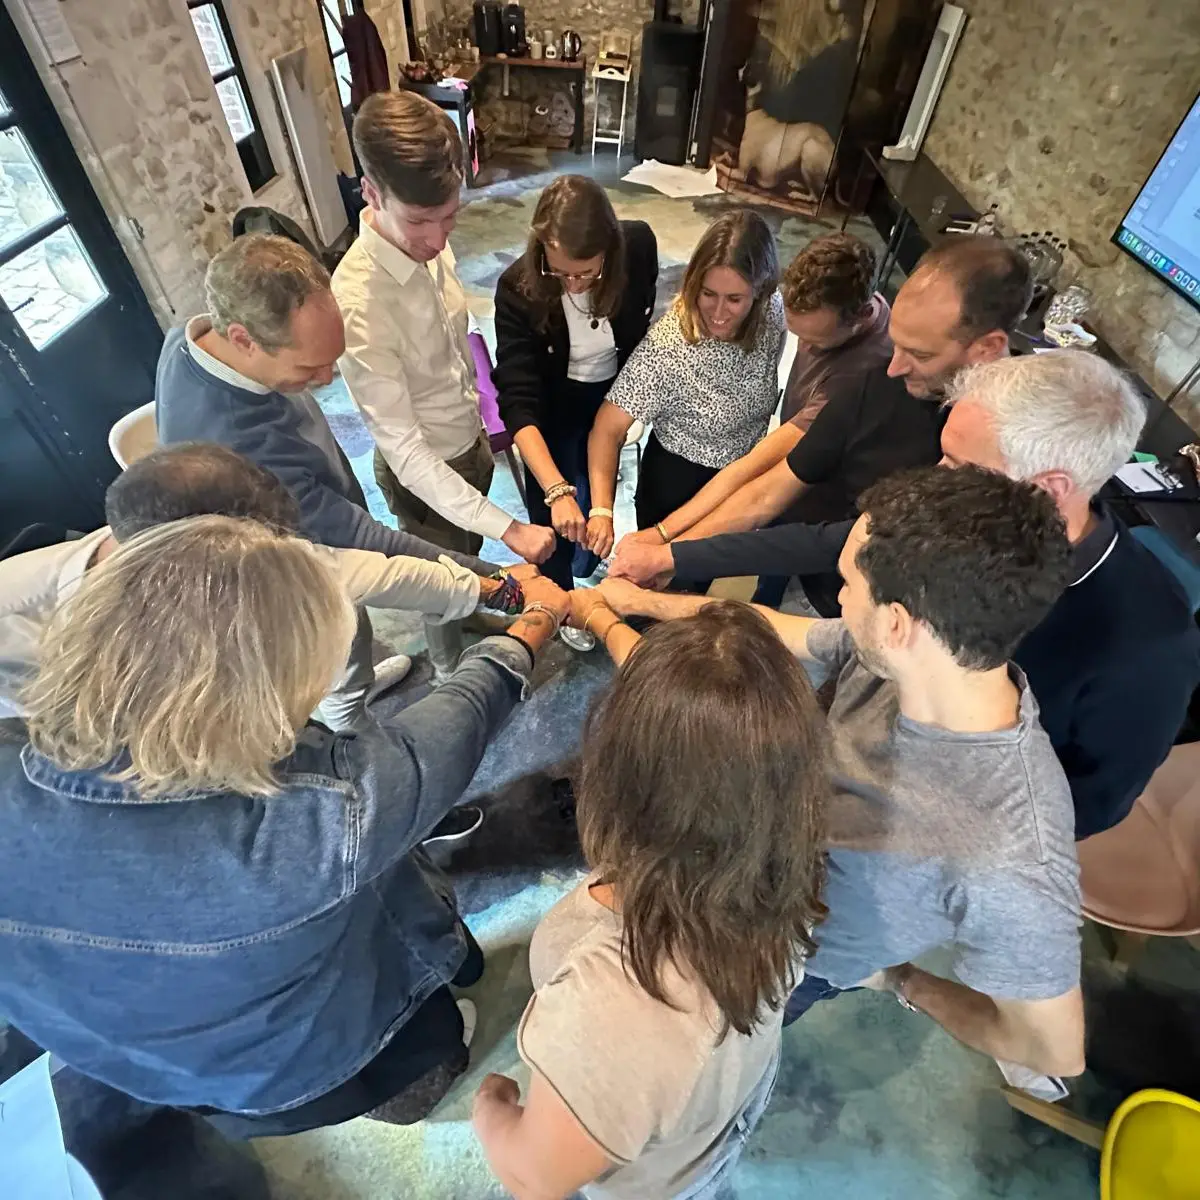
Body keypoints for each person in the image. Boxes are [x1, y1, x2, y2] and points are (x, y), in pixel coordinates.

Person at [0, 514, 572, 1134]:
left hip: (147, 1069)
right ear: (260, 690)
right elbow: (446, 732)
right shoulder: (324, 813)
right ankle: (419, 1076)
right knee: (416, 1045)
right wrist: (531, 626)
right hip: (309, 1056)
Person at [596, 465, 1086, 1080]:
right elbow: (783, 632)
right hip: (744, 873)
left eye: (848, 582)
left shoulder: (1013, 851)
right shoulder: (908, 658)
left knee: (698, 1068)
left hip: (795, 964)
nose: (839, 594)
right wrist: (644, 602)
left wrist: (905, 980)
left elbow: (1053, 1050)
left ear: (899, 623)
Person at [620, 349, 1200, 839]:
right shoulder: (953, 524)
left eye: (958, 463)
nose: (934, 475)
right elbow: (829, 565)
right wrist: (670, 562)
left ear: (1047, 491)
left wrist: (889, 830)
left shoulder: (1148, 643)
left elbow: (1085, 807)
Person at [472, 601, 828, 1198]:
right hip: (716, 1121)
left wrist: (492, 1109)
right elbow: (713, 729)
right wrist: (609, 621)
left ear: (615, 768)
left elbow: (534, 1178)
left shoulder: (617, 1003)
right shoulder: (785, 872)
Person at [156, 233, 518, 717]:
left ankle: (359, 682)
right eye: (310, 367)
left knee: (355, 635)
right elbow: (366, 542)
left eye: (332, 358)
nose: (329, 381)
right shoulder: (244, 448)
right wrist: (498, 578)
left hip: (308, 513)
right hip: (287, 570)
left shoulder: (191, 335)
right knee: (335, 647)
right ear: (243, 338)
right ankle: (350, 730)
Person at [613, 234, 1031, 614]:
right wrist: (668, 544)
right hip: (827, 575)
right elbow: (769, 488)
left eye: (919, 355)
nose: (894, 367)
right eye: (897, 344)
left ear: (988, 348)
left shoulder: (1019, 451)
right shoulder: (876, 386)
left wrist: (673, 554)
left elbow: (841, 539)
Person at [0, 443, 522, 729]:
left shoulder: (229, 550)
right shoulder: (17, 620)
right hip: (153, 730)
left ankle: (347, 715)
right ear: (183, 562)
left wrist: (495, 588)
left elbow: (376, 573)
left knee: (339, 671)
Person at [331, 91, 555, 672]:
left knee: (467, 560)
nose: (437, 240)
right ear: (371, 193)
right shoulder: (358, 303)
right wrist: (511, 527)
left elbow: (460, 344)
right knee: (440, 582)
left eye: (450, 216)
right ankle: (451, 668)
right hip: (427, 472)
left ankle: (470, 614)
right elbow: (405, 451)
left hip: (468, 440)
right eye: (419, 222)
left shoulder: (433, 245)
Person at [493, 175, 658, 648]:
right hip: (552, 404)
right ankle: (565, 601)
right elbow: (518, 403)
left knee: (598, 493)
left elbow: (642, 327)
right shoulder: (520, 288)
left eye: (586, 272)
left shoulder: (638, 244)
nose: (573, 282)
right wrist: (555, 489)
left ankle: (586, 560)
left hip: (613, 390)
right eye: (560, 271)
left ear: (611, 249)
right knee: (556, 513)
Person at [585, 209, 786, 564]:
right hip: (678, 484)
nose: (719, 312)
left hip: (739, 486)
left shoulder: (773, 313)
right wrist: (602, 510)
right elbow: (607, 428)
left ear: (760, 291)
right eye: (708, 294)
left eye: (735, 299)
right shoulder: (669, 345)